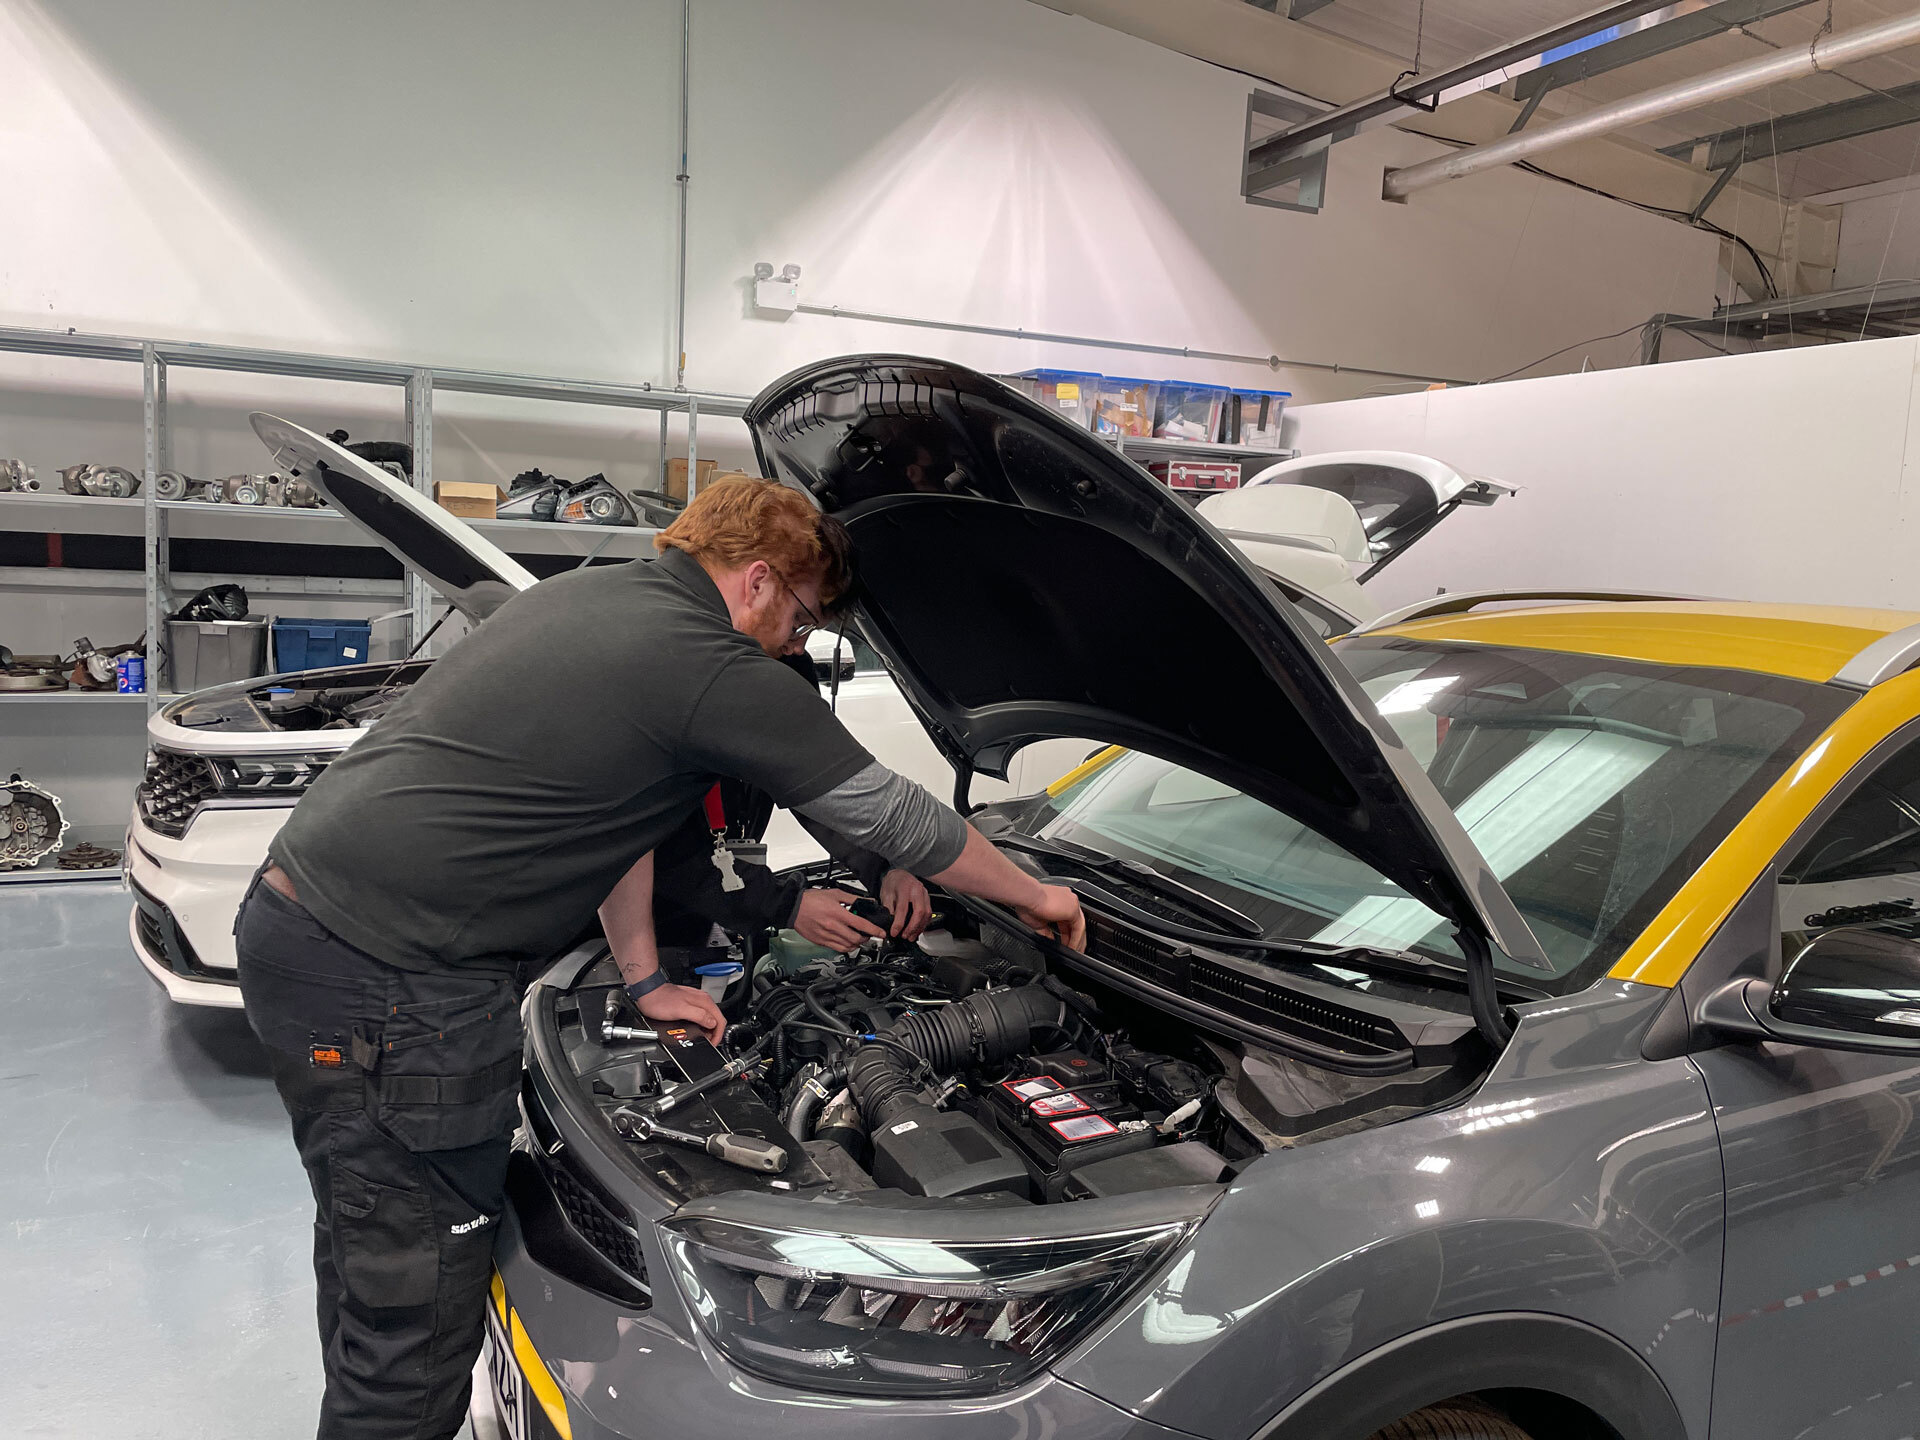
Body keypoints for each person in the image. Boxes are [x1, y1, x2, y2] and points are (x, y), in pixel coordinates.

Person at [233, 475, 1084, 1440]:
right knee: (416, 1311)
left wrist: (644, 977)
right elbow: (886, 810)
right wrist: (1037, 895)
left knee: (374, 1247)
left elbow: (617, 824)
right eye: (803, 621)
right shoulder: (704, 661)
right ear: (759, 579)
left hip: (313, 934)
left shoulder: (590, 592)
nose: (796, 646)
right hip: (393, 980)